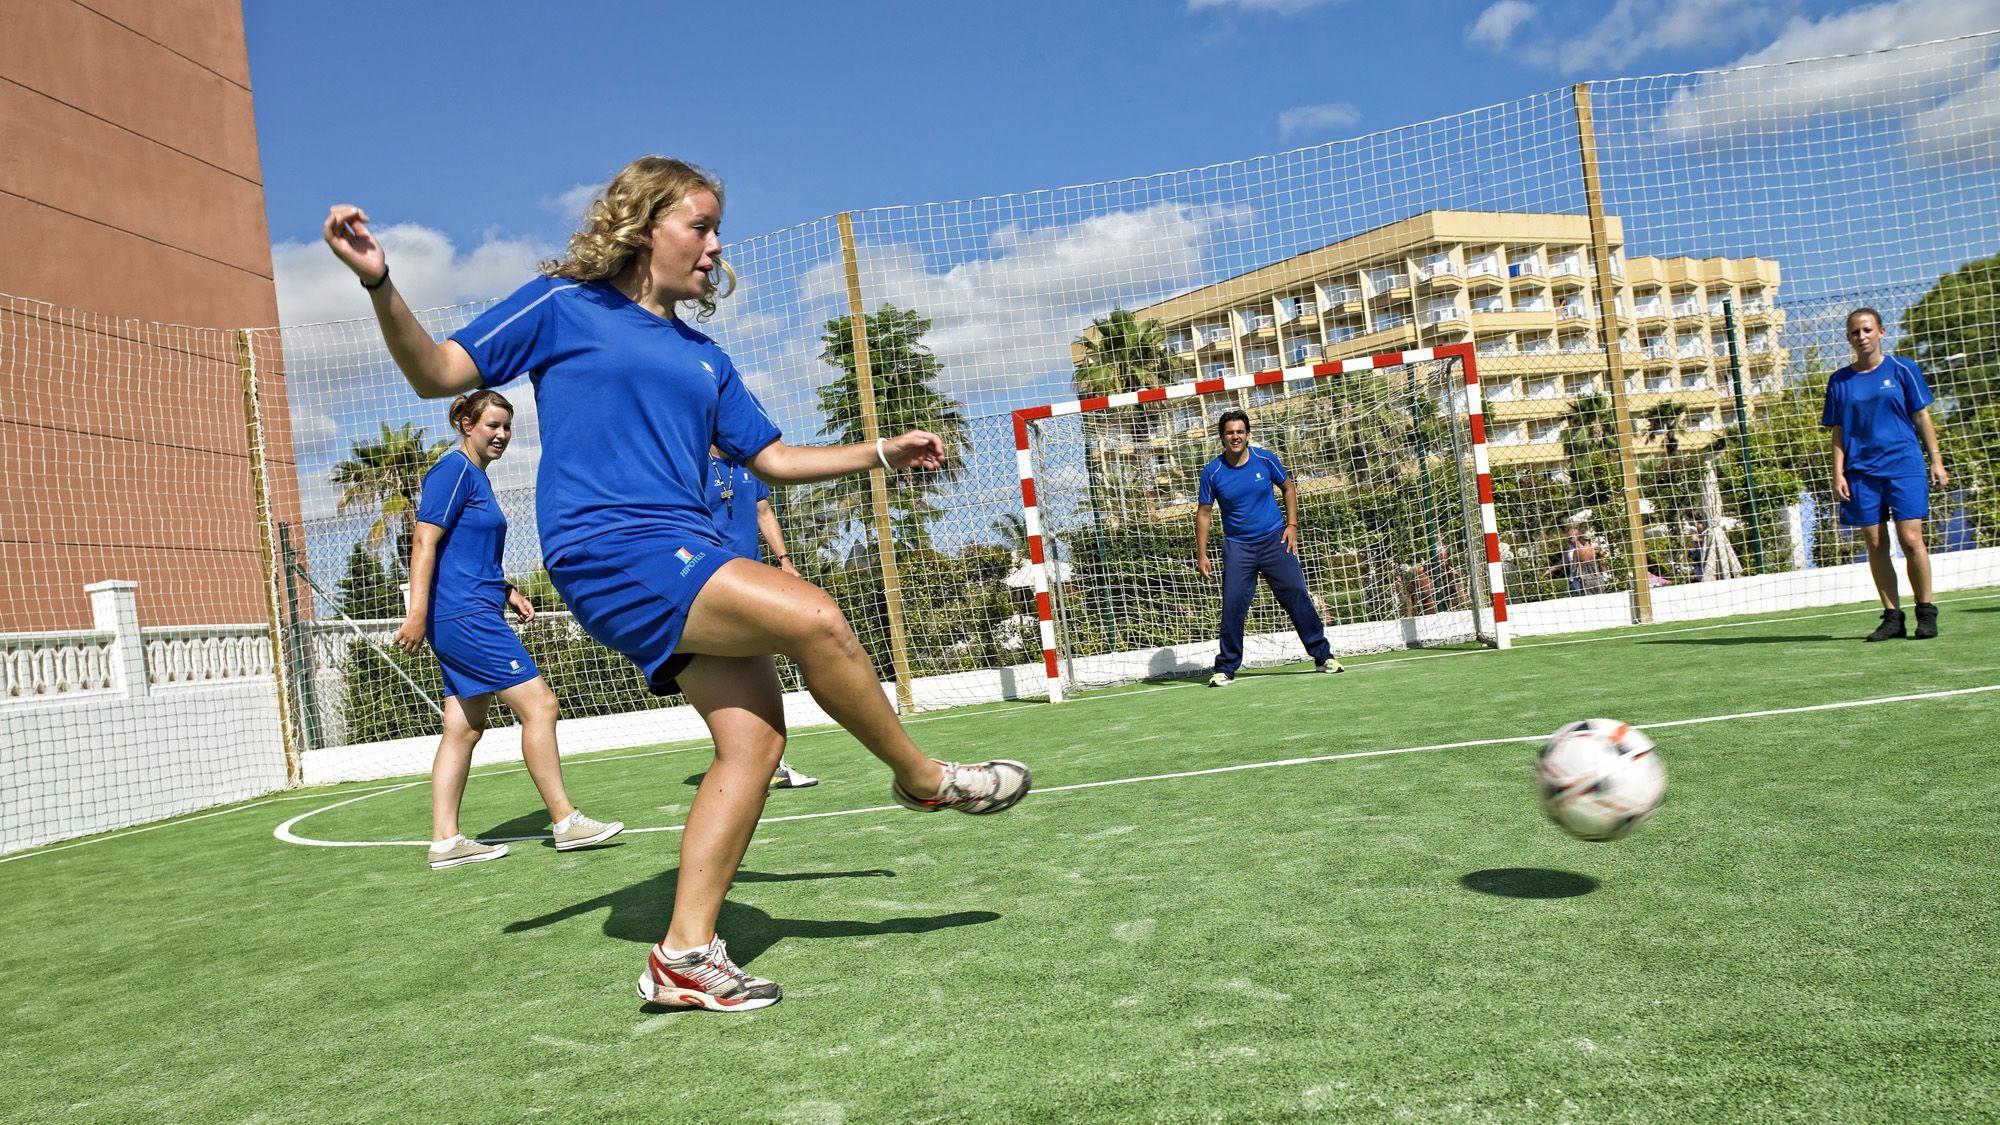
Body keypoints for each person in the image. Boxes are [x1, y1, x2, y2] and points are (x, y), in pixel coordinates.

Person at [326, 156, 1028, 1013]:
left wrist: (882, 452)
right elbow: (439, 369)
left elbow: (771, 458)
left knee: (756, 744)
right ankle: (924, 779)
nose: (714, 243)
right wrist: (381, 282)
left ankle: (684, 956)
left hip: (683, 554)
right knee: (817, 616)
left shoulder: (704, 357)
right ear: (642, 224)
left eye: (715, 228)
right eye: (698, 225)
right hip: (612, 551)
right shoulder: (563, 305)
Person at [395, 390, 624, 870]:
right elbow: (424, 539)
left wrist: (507, 591)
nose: (500, 435)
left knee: (463, 728)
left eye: (506, 427)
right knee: (540, 705)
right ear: (465, 422)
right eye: (491, 426)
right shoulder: (454, 471)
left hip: (473, 609)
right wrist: (416, 613)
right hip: (463, 617)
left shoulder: (474, 476)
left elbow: (465, 553)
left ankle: (444, 841)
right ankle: (565, 822)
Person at [1822, 307, 1949, 640]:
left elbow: (1922, 417)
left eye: (1866, 330)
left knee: (1910, 539)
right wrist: (1838, 473)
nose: (1861, 337)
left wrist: (1936, 461)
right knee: (1876, 543)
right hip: (1860, 472)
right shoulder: (1839, 381)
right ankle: (1892, 617)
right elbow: (1837, 430)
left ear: (1881, 331)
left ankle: (1926, 612)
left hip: (1903, 466)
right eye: (1854, 332)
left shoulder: (1903, 369)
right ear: (1848, 338)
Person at [1195, 410, 1342, 686]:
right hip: (1239, 548)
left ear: (1247, 435)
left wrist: (1292, 526)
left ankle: (1323, 656)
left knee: (1297, 595)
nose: (1235, 436)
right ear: (1222, 437)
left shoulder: (1265, 459)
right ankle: (1226, 667)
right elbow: (1204, 512)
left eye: (1240, 431)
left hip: (1275, 541)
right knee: (1233, 606)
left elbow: (1288, 487)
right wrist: (1202, 554)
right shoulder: (1212, 472)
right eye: (1229, 432)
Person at [706, 445, 815, 790]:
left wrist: (784, 560)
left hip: (752, 575)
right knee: (731, 668)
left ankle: (767, 762)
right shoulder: (691, 462)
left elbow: (764, 511)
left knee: (758, 660)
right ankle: (749, 760)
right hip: (715, 578)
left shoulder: (746, 462)